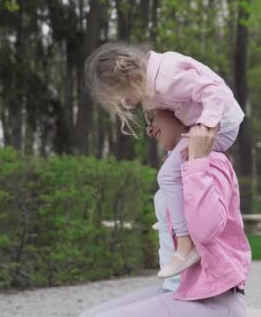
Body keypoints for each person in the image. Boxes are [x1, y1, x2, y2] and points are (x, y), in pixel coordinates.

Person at [85, 43, 244, 277]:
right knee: (174, 167)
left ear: (126, 75)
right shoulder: (156, 78)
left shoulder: (167, 80)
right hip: (209, 122)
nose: (127, 103)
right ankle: (176, 219)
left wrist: (205, 126)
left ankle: (185, 244)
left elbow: (214, 90)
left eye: (122, 96)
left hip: (222, 124)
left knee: (168, 175)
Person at [79, 109, 251, 317]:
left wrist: (197, 162)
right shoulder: (179, 166)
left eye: (152, 118)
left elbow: (206, 230)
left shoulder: (212, 162)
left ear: (180, 113)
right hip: (181, 291)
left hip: (215, 300)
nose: (149, 129)